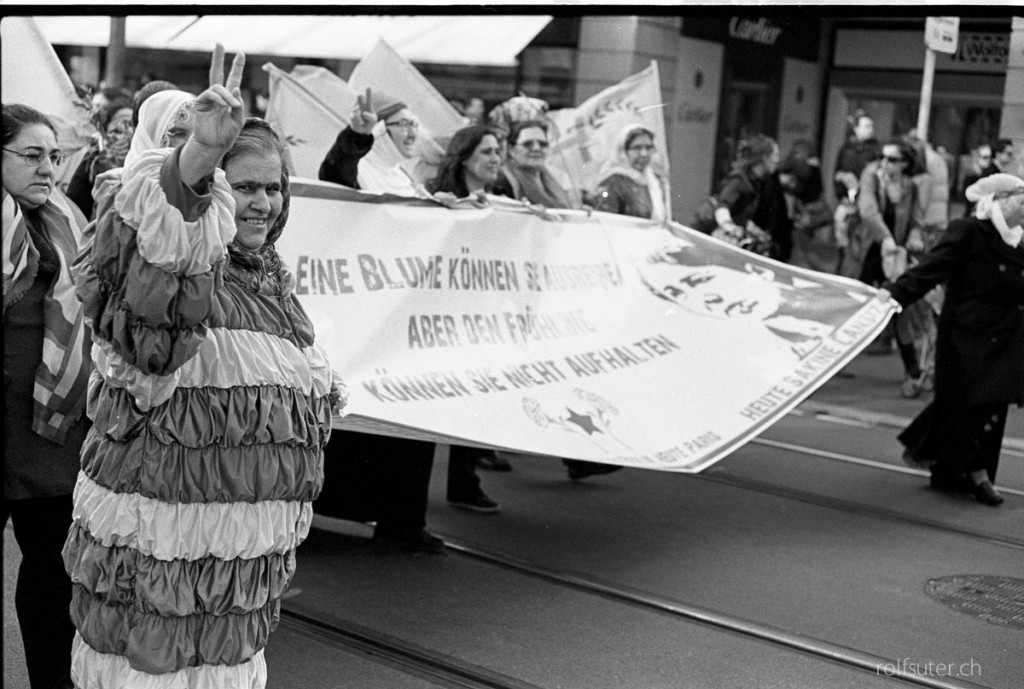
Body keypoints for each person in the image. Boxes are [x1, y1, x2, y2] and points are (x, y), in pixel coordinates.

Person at [63, 46, 342, 686]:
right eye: (243, 187)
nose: (263, 203)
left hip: (234, 589)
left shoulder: (271, 283)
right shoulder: (184, 269)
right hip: (162, 571)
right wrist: (194, 168)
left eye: (274, 188)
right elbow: (159, 290)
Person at [3, 103, 91, 689]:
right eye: (32, 155)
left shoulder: (64, 214)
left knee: (52, 572)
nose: (49, 170)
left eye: (55, 156)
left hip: (47, 425)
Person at [880, 173, 1024, 506]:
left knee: (986, 407)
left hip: (1005, 341)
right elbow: (930, 270)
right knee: (968, 405)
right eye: (1020, 203)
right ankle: (973, 473)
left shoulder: (1018, 240)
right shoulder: (969, 232)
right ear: (1000, 202)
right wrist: (891, 297)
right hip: (966, 339)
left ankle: (965, 470)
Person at [848, 139, 933, 398]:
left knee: (899, 309)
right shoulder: (872, 178)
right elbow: (868, 211)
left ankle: (914, 371)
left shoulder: (910, 188)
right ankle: (815, 364)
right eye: (883, 157)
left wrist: (916, 236)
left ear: (906, 164)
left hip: (894, 258)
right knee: (851, 305)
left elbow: (917, 219)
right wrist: (885, 238)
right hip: (867, 253)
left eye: (893, 159)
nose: (884, 163)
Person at [319, 88, 430, 198]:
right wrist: (358, 135)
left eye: (413, 124)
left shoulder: (405, 179)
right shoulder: (359, 172)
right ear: (379, 128)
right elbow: (335, 171)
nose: (412, 133)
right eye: (403, 123)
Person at [701, 133, 779, 257]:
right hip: (706, 237)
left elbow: (742, 215)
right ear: (764, 158)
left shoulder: (756, 182)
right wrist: (728, 225)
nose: (777, 160)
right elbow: (723, 205)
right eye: (775, 155)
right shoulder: (739, 179)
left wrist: (756, 232)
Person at [66, 91, 134, 218]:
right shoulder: (94, 160)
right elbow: (74, 205)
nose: (127, 132)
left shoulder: (147, 163)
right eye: (117, 130)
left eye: (132, 125)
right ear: (105, 132)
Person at [592, 124, 670, 222]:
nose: (644, 154)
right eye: (637, 148)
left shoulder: (655, 182)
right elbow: (604, 222)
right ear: (624, 151)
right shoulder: (613, 183)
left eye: (648, 147)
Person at [493, 119, 576, 210]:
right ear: (511, 150)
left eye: (542, 144)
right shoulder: (502, 184)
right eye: (527, 144)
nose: (536, 148)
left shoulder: (554, 181)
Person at [832, 111, 881, 204]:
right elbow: (837, 174)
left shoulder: (876, 150)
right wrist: (841, 196)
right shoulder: (846, 149)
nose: (871, 130)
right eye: (867, 127)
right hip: (847, 199)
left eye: (872, 126)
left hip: (867, 199)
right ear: (856, 128)